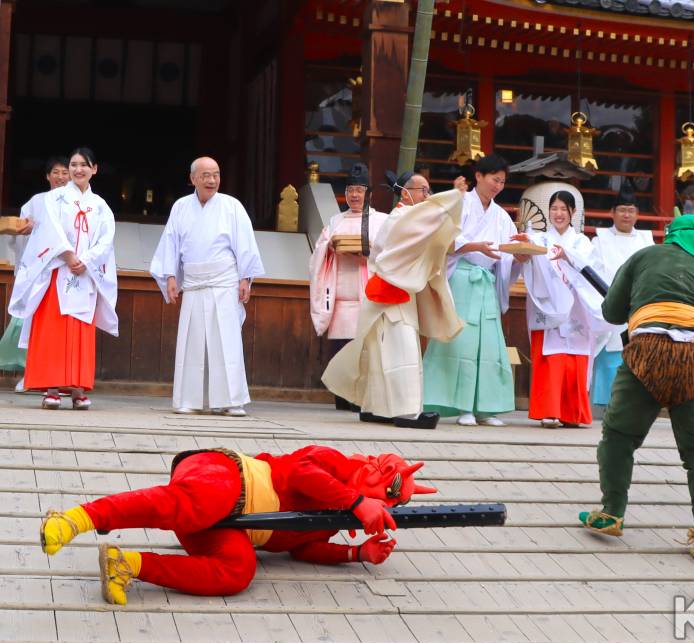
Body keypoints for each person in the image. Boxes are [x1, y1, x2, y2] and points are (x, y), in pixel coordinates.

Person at [39, 445, 436, 604]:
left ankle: (128, 566)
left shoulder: (337, 520)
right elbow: (300, 471)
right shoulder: (333, 463)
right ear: (374, 464)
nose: (387, 495)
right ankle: (78, 518)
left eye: (394, 498)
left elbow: (301, 546)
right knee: (198, 503)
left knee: (239, 571)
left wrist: (356, 552)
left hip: (229, 526)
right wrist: (354, 500)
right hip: (226, 475)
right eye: (391, 482)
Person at [578, 213, 694, 561]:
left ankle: (611, 513)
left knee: (619, 435)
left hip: (646, 352)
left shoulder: (644, 257)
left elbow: (612, 312)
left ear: (671, 234)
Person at [322, 189, 465, 429]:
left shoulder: (402, 217)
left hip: (395, 291)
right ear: (406, 193)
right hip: (391, 293)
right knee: (402, 352)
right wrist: (456, 193)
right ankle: (407, 411)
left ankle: (375, 407)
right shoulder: (402, 218)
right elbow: (439, 213)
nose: (427, 196)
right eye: (423, 191)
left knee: (381, 353)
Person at [149, 157, 264, 417]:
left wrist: (245, 278)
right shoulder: (181, 207)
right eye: (206, 175)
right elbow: (171, 244)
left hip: (224, 281)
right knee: (193, 341)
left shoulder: (232, 206)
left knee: (227, 341)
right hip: (193, 282)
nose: (212, 180)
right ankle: (189, 399)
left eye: (216, 174)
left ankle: (231, 400)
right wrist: (170, 277)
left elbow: (245, 244)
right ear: (193, 179)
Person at [9, 148, 118, 410]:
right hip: (57, 271)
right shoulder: (54, 198)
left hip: (86, 274)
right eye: (73, 164)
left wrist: (87, 261)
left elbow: (106, 239)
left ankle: (78, 388)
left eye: (83, 165)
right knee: (54, 331)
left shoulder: (100, 205)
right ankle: (52, 388)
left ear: (94, 169)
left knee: (80, 331)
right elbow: (50, 232)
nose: (77, 169)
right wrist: (69, 257)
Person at [422, 154, 524, 426]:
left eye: (502, 182)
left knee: (489, 346)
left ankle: (485, 408)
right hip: (463, 279)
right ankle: (462, 406)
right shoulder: (460, 203)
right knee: (462, 343)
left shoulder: (501, 216)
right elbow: (445, 237)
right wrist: (474, 246)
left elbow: (507, 252)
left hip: (487, 282)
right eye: (494, 179)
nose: (498, 186)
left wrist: (520, 256)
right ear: (478, 176)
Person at [517, 191, 611, 428]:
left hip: (576, 309)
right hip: (548, 307)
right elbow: (526, 263)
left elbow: (592, 270)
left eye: (563, 209)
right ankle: (549, 412)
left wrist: (568, 256)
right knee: (552, 359)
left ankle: (572, 413)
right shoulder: (538, 239)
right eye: (554, 208)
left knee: (575, 360)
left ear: (572, 213)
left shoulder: (581, 242)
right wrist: (523, 251)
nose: (558, 214)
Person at [309, 164, 387, 410]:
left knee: (365, 350)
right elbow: (318, 253)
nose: (354, 195)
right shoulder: (335, 221)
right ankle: (341, 398)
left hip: (367, 296)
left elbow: (389, 253)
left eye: (360, 190)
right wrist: (330, 247)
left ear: (368, 193)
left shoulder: (381, 221)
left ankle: (362, 399)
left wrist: (369, 250)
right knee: (340, 350)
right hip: (341, 297)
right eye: (351, 190)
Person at [0, 156, 70, 390]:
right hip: (38, 273)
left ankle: (62, 379)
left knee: (60, 328)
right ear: (47, 176)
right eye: (56, 172)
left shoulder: (77, 202)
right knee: (31, 325)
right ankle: (30, 374)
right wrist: (25, 231)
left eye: (64, 172)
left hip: (65, 273)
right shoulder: (36, 202)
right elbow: (19, 235)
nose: (61, 177)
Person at [589, 180, 654, 407]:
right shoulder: (599, 240)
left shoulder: (647, 241)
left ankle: (634, 404)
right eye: (622, 210)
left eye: (631, 210)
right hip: (610, 303)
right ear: (612, 213)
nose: (626, 215)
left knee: (637, 355)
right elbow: (593, 274)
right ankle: (606, 402)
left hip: (638, 306)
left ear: (637, 214)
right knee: (610, 354)